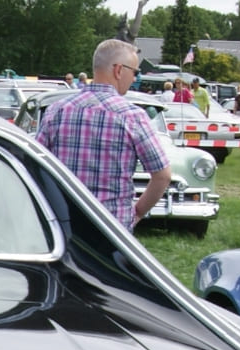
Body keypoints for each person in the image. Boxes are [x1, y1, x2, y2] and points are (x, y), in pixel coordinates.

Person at [36, 38, 172, 231]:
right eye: (135, 72)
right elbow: (162, 175)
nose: (135, 79)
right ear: (118, 70)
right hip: (113, 229)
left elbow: (35, 165)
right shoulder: (132, 116)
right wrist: (138, 212)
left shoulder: (57, 110)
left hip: (64, 222)